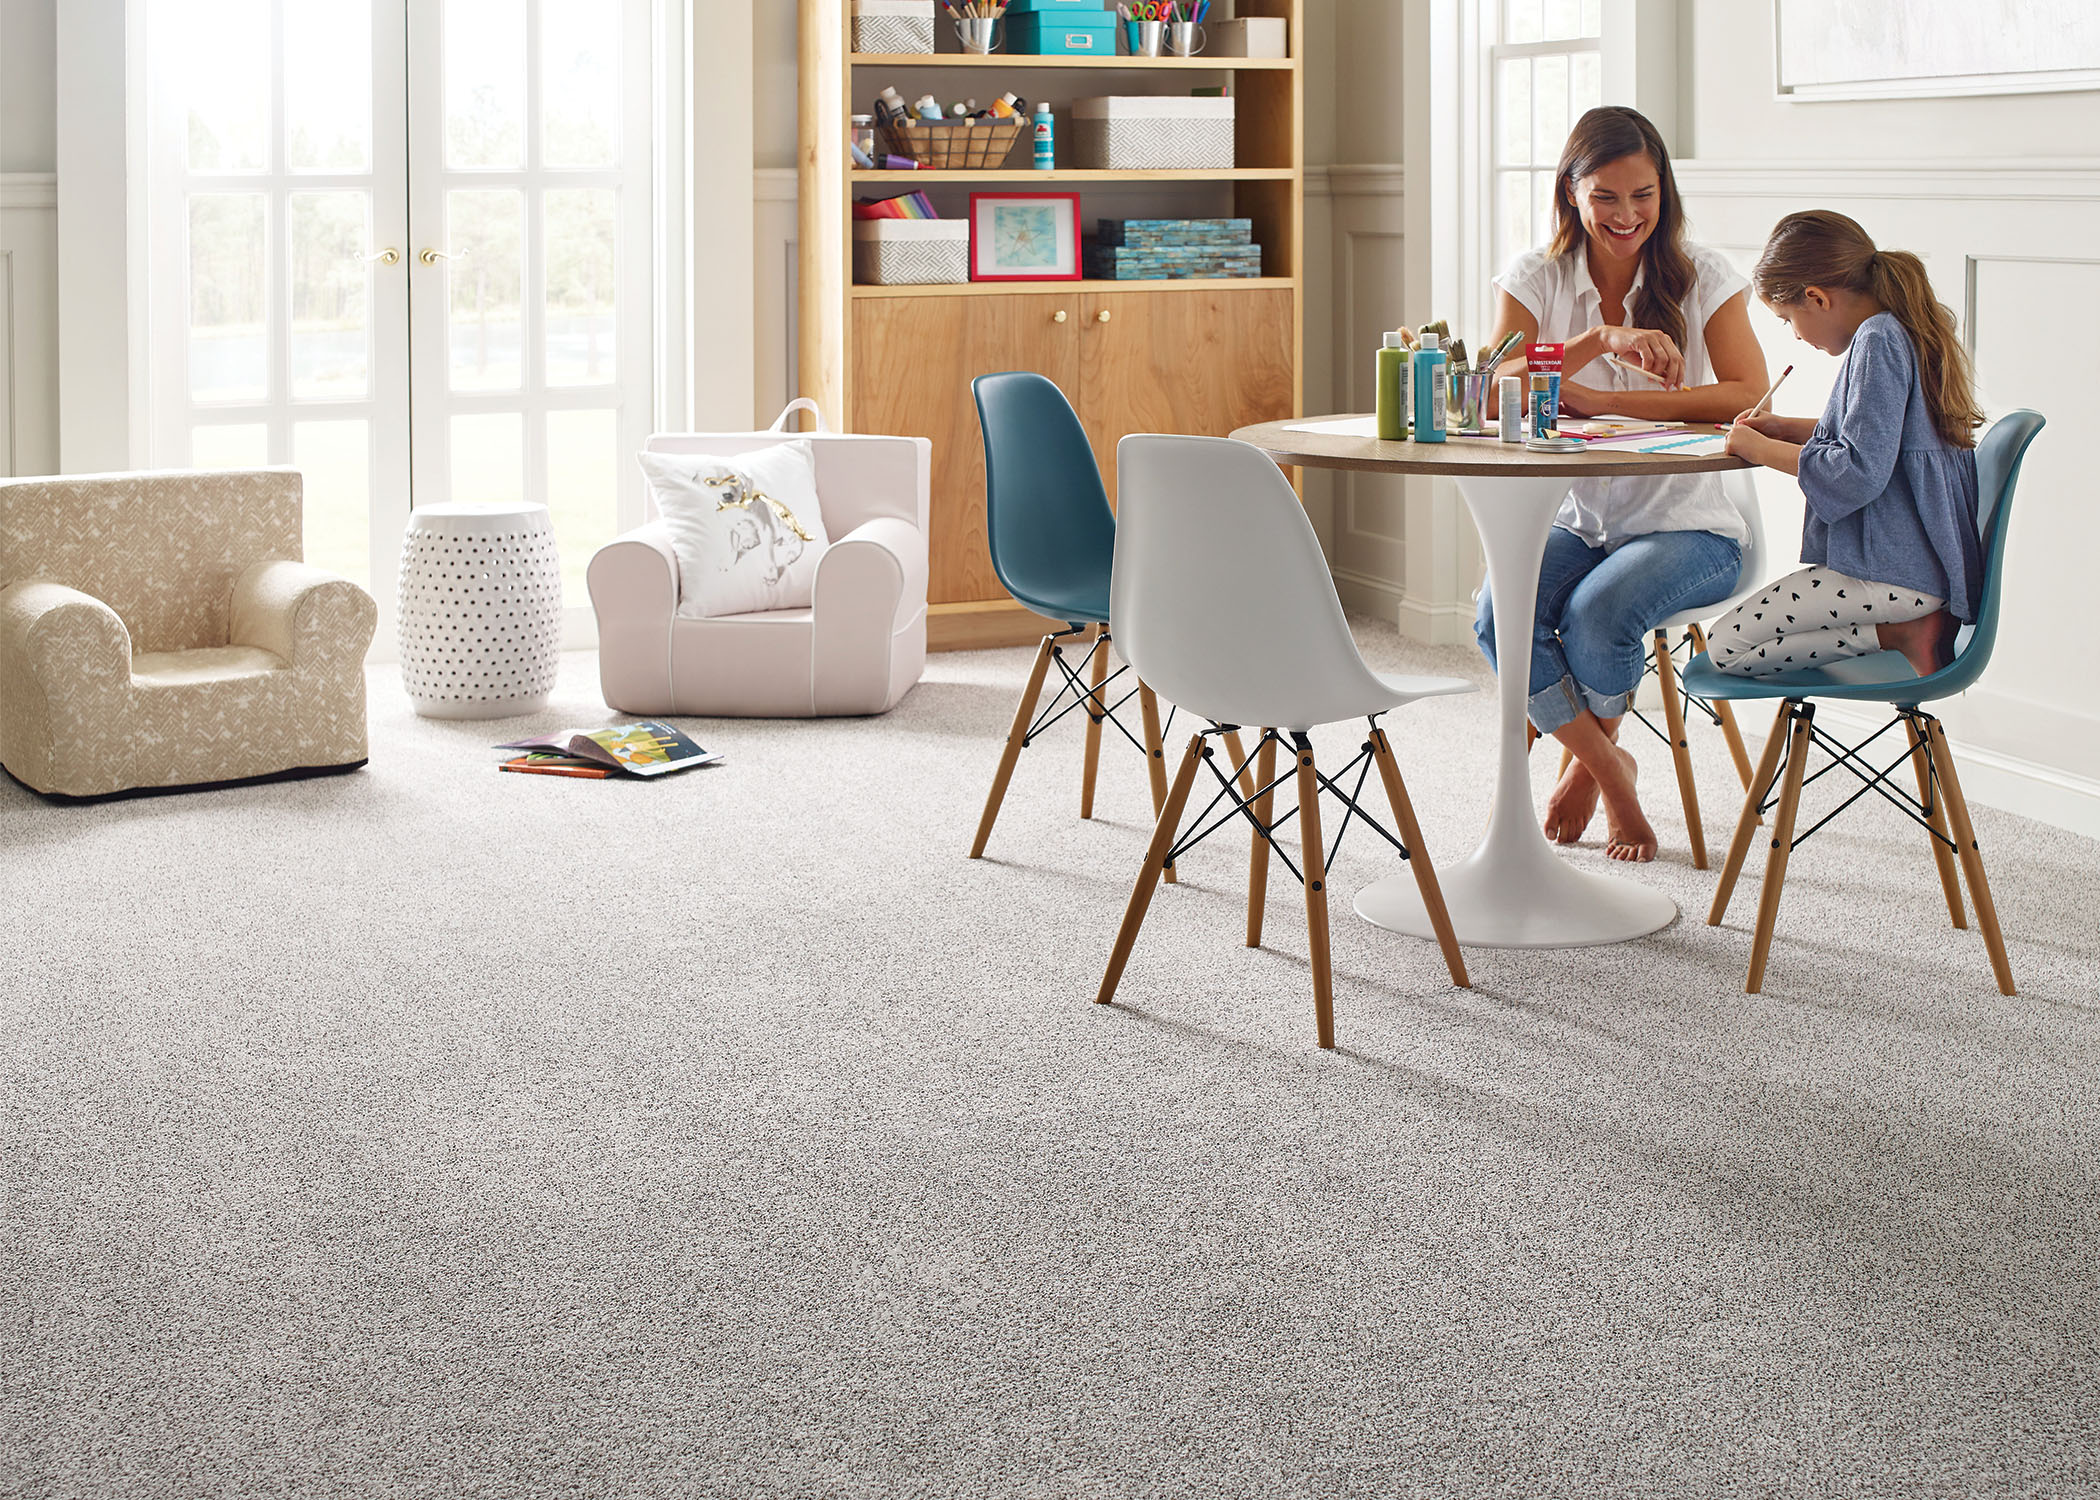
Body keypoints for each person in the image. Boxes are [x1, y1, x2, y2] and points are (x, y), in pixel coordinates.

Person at [1477, 106, 1769, 861]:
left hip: (1691, 526)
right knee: (1494, 615)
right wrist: (1596, 341)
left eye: (1643, 195)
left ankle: (1585, 768)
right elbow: (1491, 384)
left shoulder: (1704, 275)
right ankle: (1612, 769)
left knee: (1597, 614)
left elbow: (1746, 391)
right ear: (1571, 192)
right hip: (1578, 518)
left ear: (1663, 192)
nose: (1627, 215)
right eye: (1606, 196)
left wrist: (1611, 401)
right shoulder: (1536, 276)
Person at [1712, 211, 1983, 679]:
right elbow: (1878, 437)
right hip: (1915, 569)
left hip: (1896, 575)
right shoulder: (1899, 328)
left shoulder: (1877, 341)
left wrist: (1757, 450)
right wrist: (1782, 428)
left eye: (1787, 319)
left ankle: (1898, 634)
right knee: (1740, 639)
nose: (1794, 333)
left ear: (1815, 298)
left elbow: (1857, 471)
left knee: (1724, 646)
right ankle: (1899, 631)